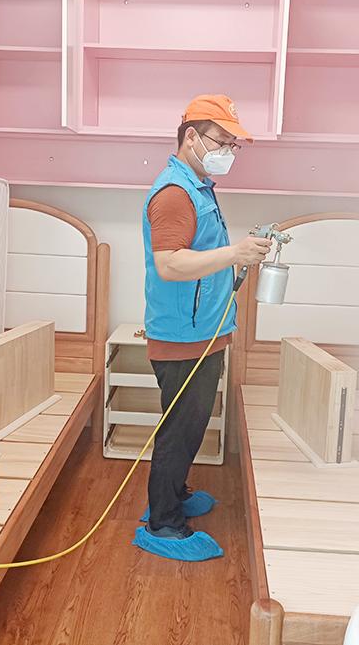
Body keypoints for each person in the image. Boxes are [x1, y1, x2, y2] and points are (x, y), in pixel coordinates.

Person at [133, 94, 272, 562]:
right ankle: (163, 523)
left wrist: (236, 255)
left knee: (189, 425)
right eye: (221, 141)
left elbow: (197, 254)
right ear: (191, 136)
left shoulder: (198, 186)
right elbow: (170, 264)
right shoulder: (175, 193)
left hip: (202, 331)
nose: (228, 152)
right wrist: (235, 253)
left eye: (233, 144)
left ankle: (174, 494)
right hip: (183, 337)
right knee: (180, 430)